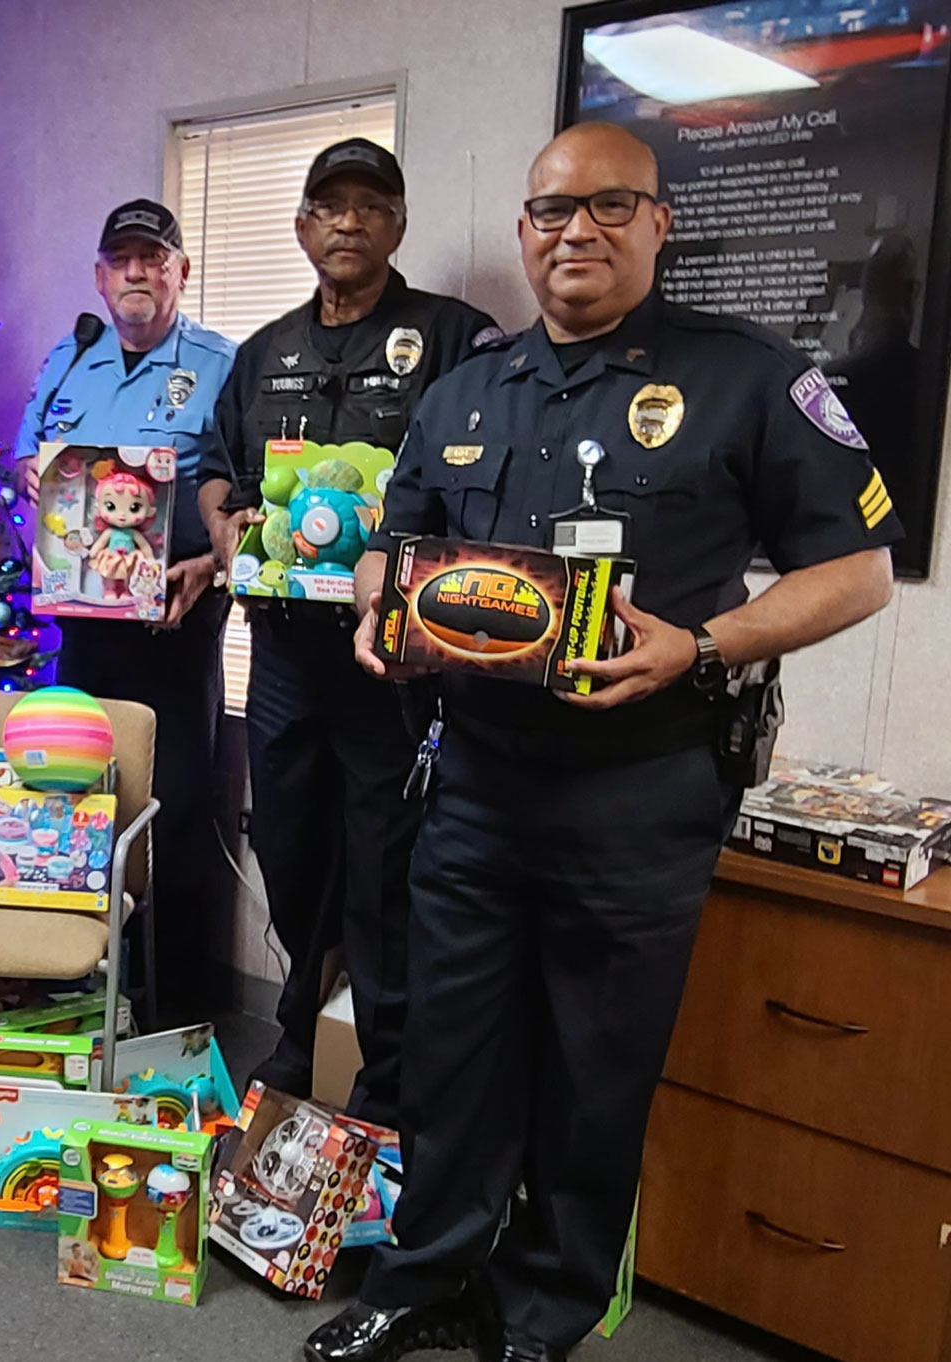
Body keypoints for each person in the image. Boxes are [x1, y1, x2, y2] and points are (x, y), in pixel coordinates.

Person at [306, 123, 898, 1362]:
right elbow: (389, 540)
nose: (573, 231)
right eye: (548, 213)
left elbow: (854, 574)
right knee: (451, 1049)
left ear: (658, 223)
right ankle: (429, 1276)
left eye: (607, 207)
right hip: (472, 784)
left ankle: (543, 1308)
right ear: (522, 232)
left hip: (641, 795)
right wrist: (373, 599)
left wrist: (705, 644)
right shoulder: (467, 387)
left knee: (593, 1066)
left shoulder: (748, 377)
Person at [197, 139, 500, 1131]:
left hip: (392, 664)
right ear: (302, 228)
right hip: (284, 650)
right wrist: (224, 525)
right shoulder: (263, 354)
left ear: (397, 227)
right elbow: (213, 468)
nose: (349, 223)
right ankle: (297, 1030)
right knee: (286, 847)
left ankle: (381, 1072)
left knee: (382, 870)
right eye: (330, 206)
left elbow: (489, 482)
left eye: (372, 206)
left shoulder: (454, 340)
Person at [14, 199, 238, 1028]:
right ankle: (80, 1001)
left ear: (183, 270)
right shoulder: (69, 361)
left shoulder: (222, 363)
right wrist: (32, 489)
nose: (138, 273)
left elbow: (240, 503)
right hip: (83, 631)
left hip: (175, 630)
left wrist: (212, 566)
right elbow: (26, 463)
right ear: (102, 276)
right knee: (78, 807)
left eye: (156, 257)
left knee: (173, 817)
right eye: (123, 259)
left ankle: (174, 1016)